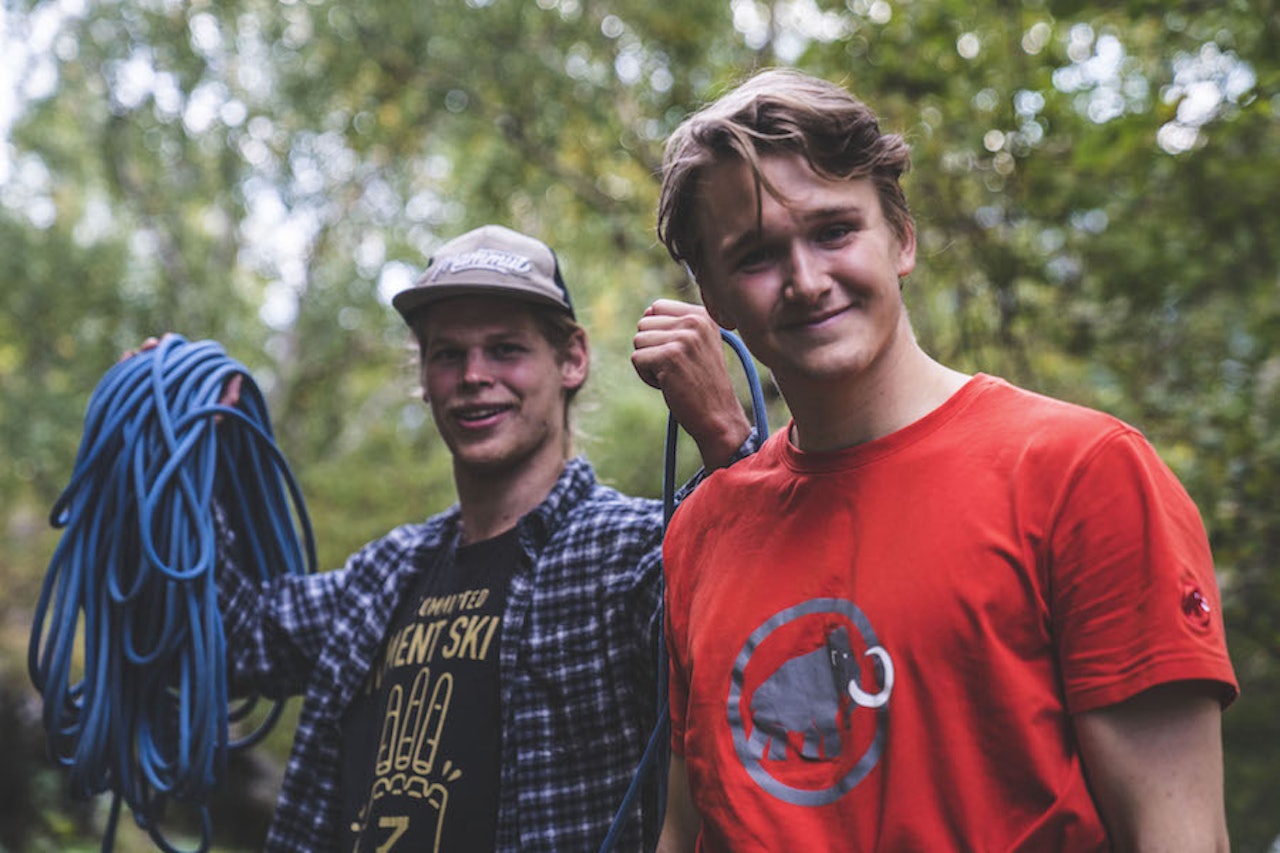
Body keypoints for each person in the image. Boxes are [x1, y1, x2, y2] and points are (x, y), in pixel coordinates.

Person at [634, 67, 1238, 852]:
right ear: (714, 299)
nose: (807, 281)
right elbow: (688, 827)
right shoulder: (703, 531)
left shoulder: (1082, 474)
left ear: (902, 237)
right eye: (755, 256)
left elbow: (1179, 834)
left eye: (834, 230)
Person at [213, 224, 753, 851]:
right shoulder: (384, 573)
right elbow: (237, 641)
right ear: (424, 377)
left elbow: (766, 627)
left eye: (505, 349)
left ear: (572, 359)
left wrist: (726, 434)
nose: (473, 375)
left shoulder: (634, 553)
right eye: (448, 354)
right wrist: (177, 457)